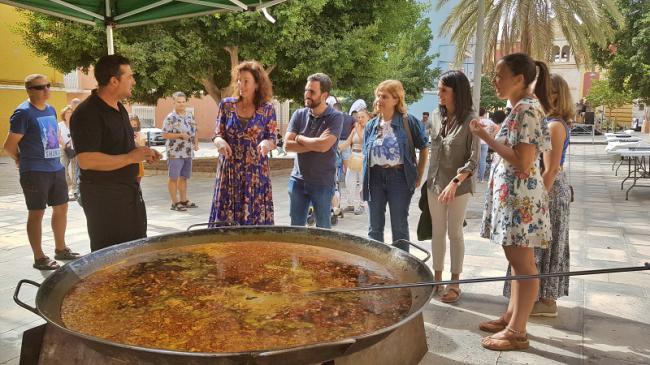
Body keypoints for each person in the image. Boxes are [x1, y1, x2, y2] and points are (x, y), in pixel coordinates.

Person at [470, 53, 552, 351]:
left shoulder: (526, 109)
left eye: (499, 75)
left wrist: (486, 138)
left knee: (523, 264)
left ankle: (518, 332)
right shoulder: (521, 108)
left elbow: (523, 160)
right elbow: (517, 148)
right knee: (518, 263)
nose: (494, 80)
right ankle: (511, 317)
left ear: (518, 79)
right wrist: (494, 132)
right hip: (517, 201)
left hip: (521, 203)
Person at [71, 54, 161, 252]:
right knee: (112, 258)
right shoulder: (88, 113)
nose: (134, 81)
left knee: (136, 251)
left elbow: (120, 146)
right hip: (105, 201)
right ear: (114, 81)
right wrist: (130, 157)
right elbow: (86, 160)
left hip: (128, 194)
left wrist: (143, 152)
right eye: (129, 76)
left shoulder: (119, 108)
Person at [503, 73, 574, 317]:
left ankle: (543, 300)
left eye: (539, 91)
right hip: (549, 189)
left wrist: (536, 201)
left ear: (553, 95)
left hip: (549, 191)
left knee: (540, 248)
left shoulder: (554, 125)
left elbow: (550, 169)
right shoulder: (550, 122)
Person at [3, 74, 79, 270]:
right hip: (35, 171)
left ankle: (61, 249)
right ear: (29, 90)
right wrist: (20, 159)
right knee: (37, 212)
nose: (46, 90)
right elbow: (9, 145)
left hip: (55, 168)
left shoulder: (51, 109)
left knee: (61, 208)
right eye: (40, 87)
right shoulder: (23, 113)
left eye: (48, 85)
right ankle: (39, 257)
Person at [426, 70, 480, 303]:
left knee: (454, 232)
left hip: (458, 186)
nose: (439, 94)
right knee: (437, 232)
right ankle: (437, 280)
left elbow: (473, 160)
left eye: (444, 90)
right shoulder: (436, 116)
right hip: (434, 183)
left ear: (457, 92)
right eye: (439, 89)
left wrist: (455, 182)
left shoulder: (471, 119)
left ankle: (455, 283)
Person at [362, 80, 429, 250]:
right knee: (374, 227)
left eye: (384, 96)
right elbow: (365, 155)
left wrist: (419, 176)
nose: (379, 100)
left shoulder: (409, 122)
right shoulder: (371, 125)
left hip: (399, 178)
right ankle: (375, 267)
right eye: (378, 96)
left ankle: (401, 269)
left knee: (399, 226)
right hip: (374, 178)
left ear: (396, 99)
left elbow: (424, 148)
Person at [210, 60, 277, 225]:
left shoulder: (267, 108)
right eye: (239, 80)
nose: (241, 84)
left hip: (255, 172)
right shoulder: (226, 105)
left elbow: (272, 137)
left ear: (257, 84)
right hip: (229, 171)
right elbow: (218, 133)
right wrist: (220, 142)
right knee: (225, 222)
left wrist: (266, 144)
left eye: (246, 80)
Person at [285, 73, 343, 228]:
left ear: (324, 95)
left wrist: (299, 138)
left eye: (312, 92)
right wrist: (316, 143)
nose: (307, 95)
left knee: (323, 228)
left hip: (322, 182)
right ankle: (298, 254)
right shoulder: (299, 114)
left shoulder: (335, 117)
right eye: (306, 90)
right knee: (296, 227)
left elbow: (324, 146)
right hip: (297, 180)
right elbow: (287, 145)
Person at [162, 92, 199, 212]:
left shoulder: (189, 116)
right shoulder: (170, 118)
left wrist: (196, 144)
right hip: (175, 153)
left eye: (183, 102)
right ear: (174, 102)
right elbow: (164, 134)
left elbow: (195, 131)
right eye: (179, 102)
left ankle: (184, 200)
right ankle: (174, 203)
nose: (182, 104)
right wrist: (180, 135)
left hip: (187, 152)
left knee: (184, 177)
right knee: (173, 177)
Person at [339, 108, 371, 214]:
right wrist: (337, 148)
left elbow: (364, 140)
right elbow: (348, 142)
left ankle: (361, 204)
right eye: (358, 117)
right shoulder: (355, 129)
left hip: (364, 157)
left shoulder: (370, 128)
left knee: (362, 182)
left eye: (362, 117)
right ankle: (350, 204)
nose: (360, 119)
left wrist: (357, 129)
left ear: (368, 118)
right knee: (349, 181)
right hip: (353, 156)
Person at [58, 105, 78, 199]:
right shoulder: (60, 125)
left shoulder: (75, 124)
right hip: (63, 148)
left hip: (74, 148)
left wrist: (72, 143)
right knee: (63, 168)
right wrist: (64, 145)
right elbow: (58, 136)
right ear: (64, 114)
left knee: (74, 169)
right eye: (67, 113)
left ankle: (74, 189)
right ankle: (67, 186)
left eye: (71, 113)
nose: (69, 114)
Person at [477, 107, 499, 182]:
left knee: (475, 159)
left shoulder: (476, 121)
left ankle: (474, 177)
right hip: (485, 142)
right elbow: (497, 127)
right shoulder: (489, 121)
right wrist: (491, 135)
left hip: (476, 142)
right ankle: (481, 178)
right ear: (484, 113)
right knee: (483, 160)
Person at [129, 115, 146, 184]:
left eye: (135, 125)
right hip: (127, 162)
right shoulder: (124, 134)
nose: (133, 127)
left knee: (137, 182)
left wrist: (137, 139)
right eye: (130, 125)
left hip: (138, 162)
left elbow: (142, 148)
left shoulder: (141, 135)